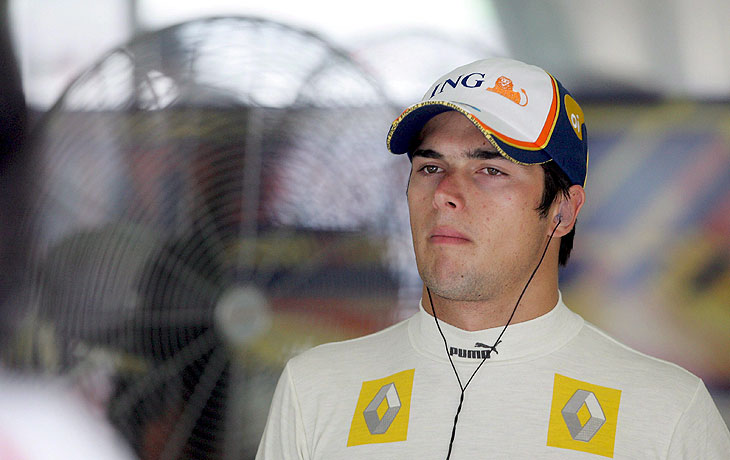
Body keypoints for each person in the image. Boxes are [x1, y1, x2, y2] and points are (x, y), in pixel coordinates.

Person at [256, 58, 730, 459]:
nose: (444, 193)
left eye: (490, 169)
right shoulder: (314, 388)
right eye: (430, 166)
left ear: (564, 211)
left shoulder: (667, 411)